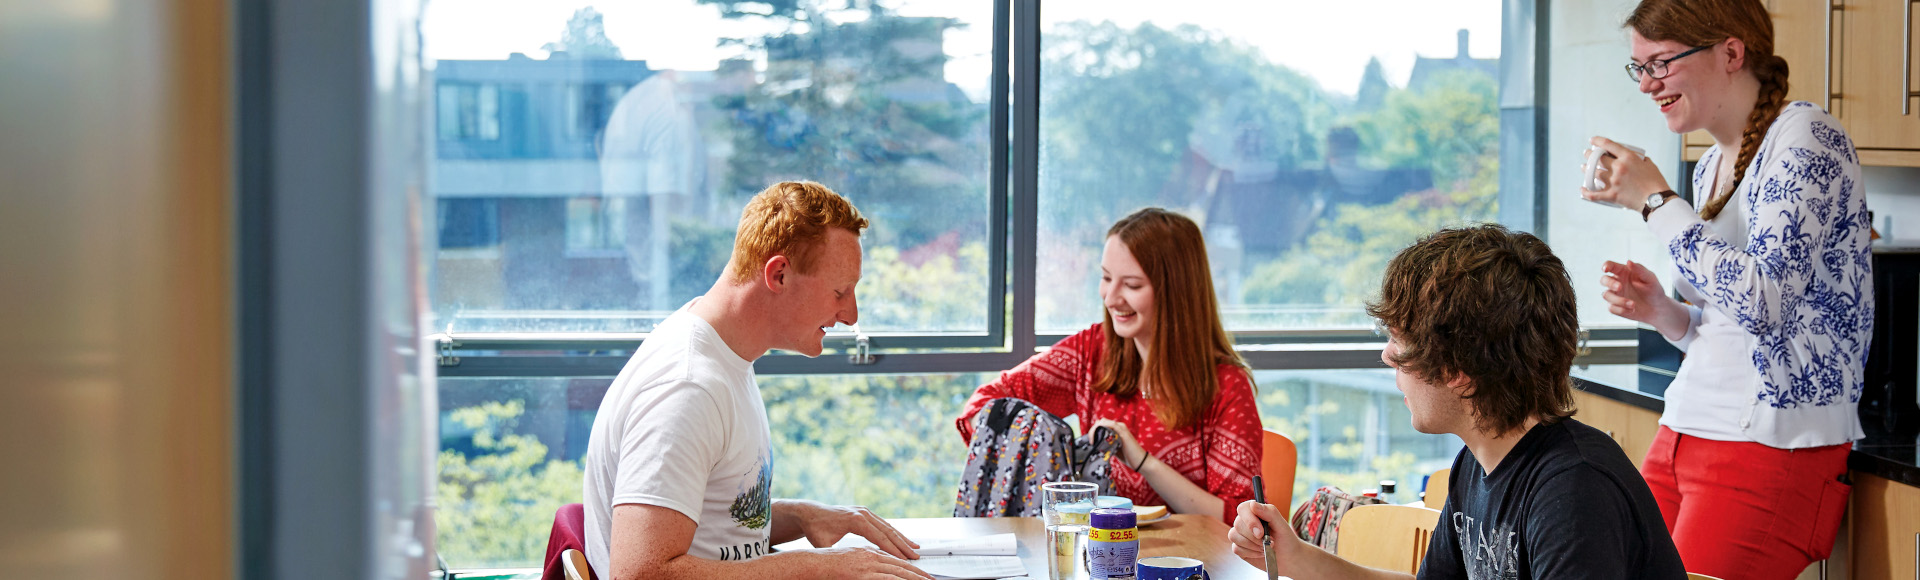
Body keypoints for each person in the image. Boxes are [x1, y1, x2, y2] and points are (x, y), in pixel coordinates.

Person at [1581, 1, 1872, 577]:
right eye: (1638, 68)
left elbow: (1766, 302)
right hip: (1685, 427)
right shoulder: (1711, 164)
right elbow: (1735, 325)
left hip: (1773, 444)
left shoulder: (1806, 139)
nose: (1647, 84)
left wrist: (1657, 204)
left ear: (1731, 53)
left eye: (1660, 63)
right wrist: (1668, 314)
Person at [1229, 225, 1687, 580]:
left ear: (1456, 371)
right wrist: (1297, 558)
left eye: (1398, 340)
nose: (1386, 355)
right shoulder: (1476, 463)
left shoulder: (1574, 491)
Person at [581, 181, 932, 580]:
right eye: (839, 291)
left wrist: (802, 516)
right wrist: (818, 569)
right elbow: (639, 572)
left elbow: (715, 521)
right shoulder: (687, 387)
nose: (850, 315)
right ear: (779, 274)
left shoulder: (722, 353)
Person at [954, 207, 1261, 524]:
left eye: (1132, 285)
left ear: (1176, 293)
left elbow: (1240, 521)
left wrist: (1143, 462)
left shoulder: (1227, 387)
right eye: (1105, 278)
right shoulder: (1091, 352)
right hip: (1096, 559)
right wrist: (1040, 445)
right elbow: (987, 403)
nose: (1111, 298)